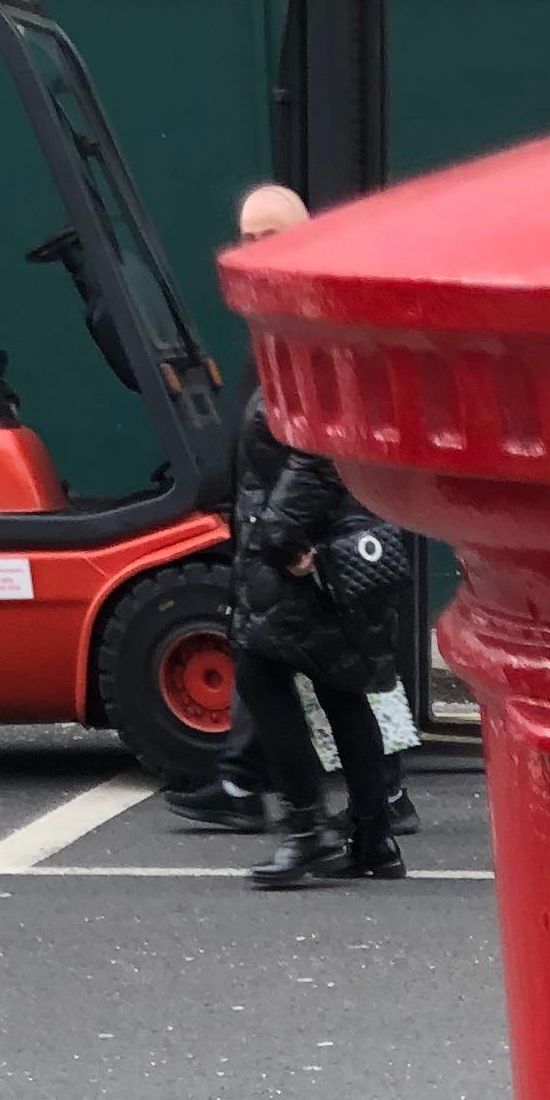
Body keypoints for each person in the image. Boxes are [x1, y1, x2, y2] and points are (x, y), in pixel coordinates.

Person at [195, 182, 403, 890]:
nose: (256, 248)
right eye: (248, 237)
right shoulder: (291, 313)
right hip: (315, 539)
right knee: (340, 687)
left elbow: (318, 445)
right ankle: (373, 839)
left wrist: (280, 540)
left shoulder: (304, 318)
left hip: (301, 546)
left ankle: (308, 831)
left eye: (271, 234)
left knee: (262, 674)